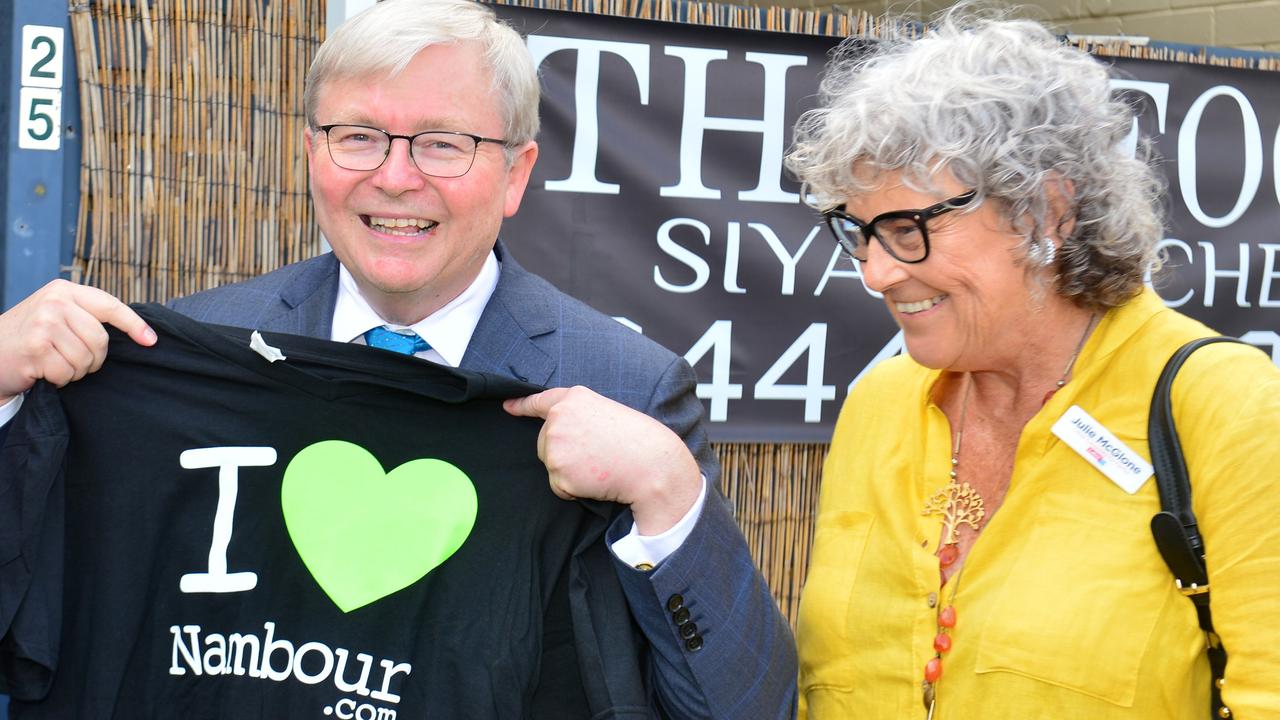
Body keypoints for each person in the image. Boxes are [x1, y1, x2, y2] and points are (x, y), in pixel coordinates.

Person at [0, 0, 796, 716]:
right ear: (311, 152)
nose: (395, 177)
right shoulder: (179, 353)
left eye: (443, 144)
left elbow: (742, 709)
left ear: (515, 174)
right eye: (359, 138)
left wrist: (668, 496)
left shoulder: (627, 388)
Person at [784, 7, 1280, 720]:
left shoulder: (1230, 408)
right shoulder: (881, 403)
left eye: (908, 229)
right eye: (861, 232)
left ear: (1046, 212)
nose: (877, 273)